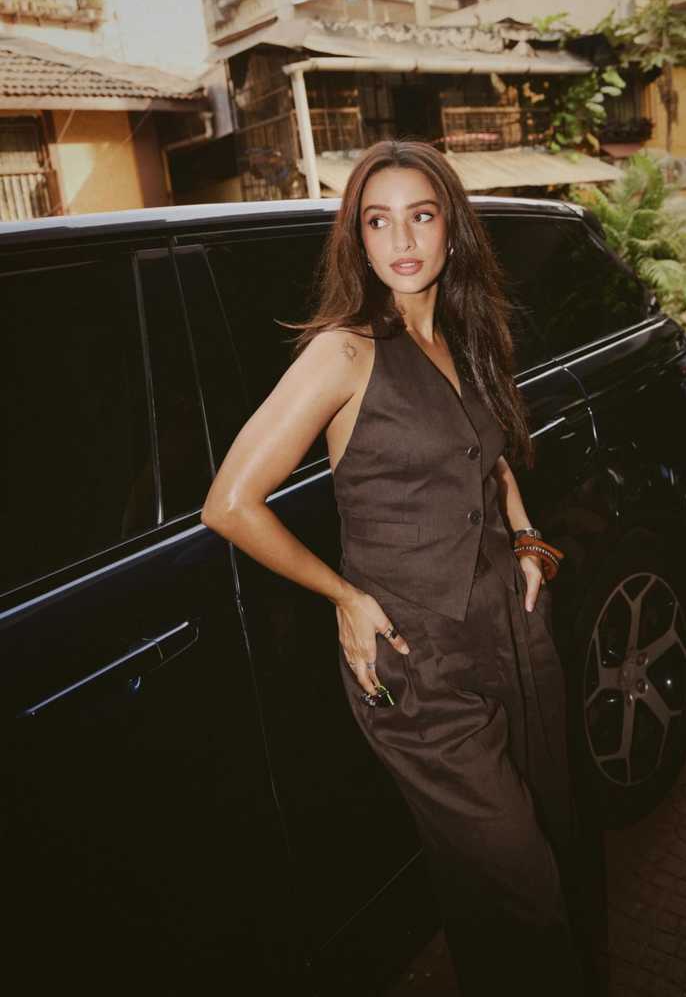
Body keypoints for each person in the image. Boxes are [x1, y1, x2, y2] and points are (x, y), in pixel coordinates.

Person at [201, 139, 590, 994]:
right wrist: (343, 595)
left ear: (453, 227)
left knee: (515, 858)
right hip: (418, 667)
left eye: (421, 215)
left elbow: (490, 456)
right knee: (528, 881)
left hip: (514, 629)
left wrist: (528, 537)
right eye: (378, 220)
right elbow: (229, 503)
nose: (402, 239)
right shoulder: (343, 352)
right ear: (357, 237)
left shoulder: (467, 332)